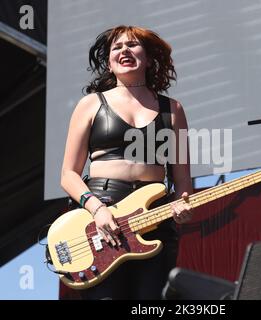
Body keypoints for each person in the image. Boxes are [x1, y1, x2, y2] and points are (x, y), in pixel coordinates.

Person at [60, 25, 193, 300]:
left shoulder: (173, 109)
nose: (124, 51)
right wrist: (97, 210)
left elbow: (181, 179)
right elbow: (68, 174)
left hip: (154, 219)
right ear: (109, 62)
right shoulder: (90, 104)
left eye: (132, 45)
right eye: (117, 47)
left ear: (148, 58)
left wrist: (183, 202)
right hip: (101, 214)